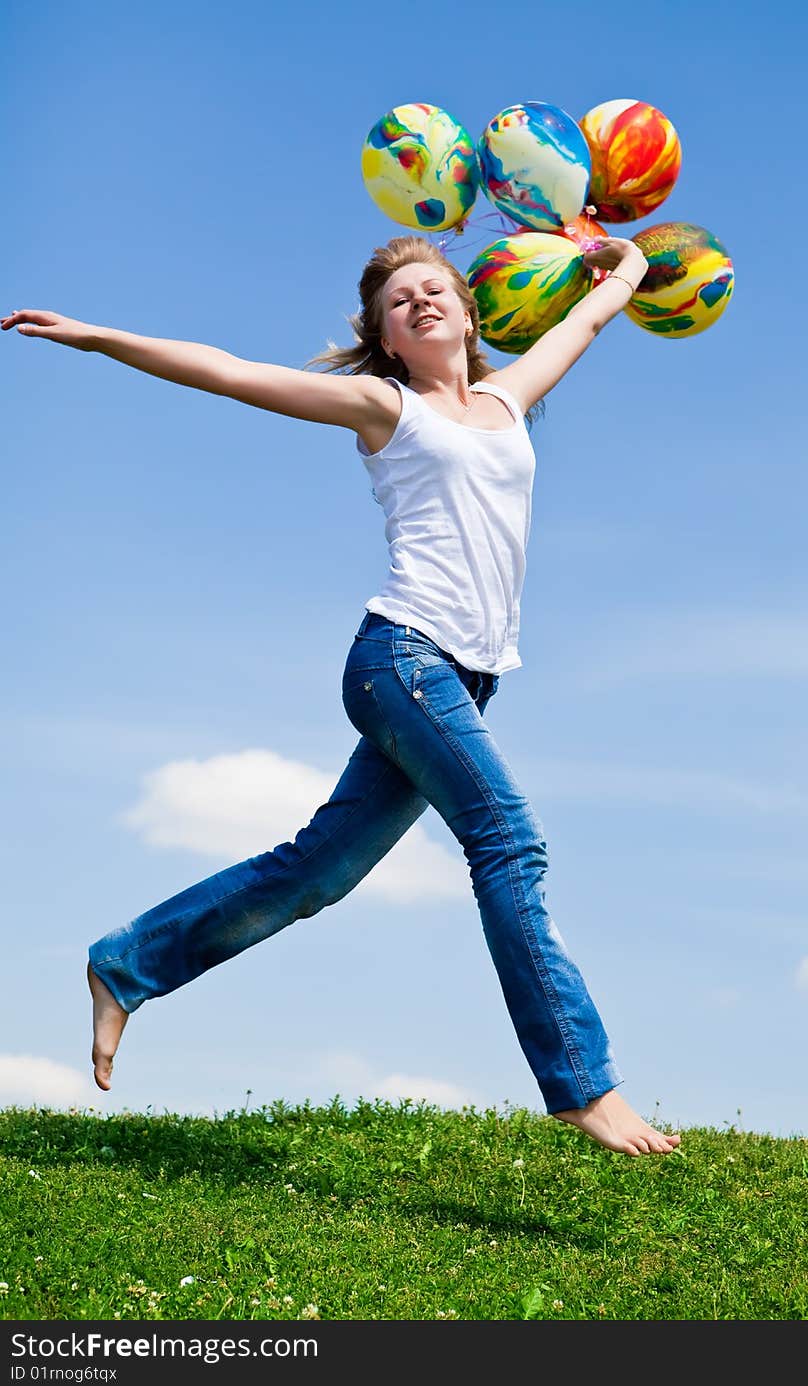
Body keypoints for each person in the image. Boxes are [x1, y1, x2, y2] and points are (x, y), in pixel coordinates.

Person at [2, 232, 681, 1157]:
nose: (421, 304)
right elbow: (228, 371)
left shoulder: (509, 398)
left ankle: (126, 965)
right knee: (509, 844)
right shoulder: (383, 408)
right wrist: (96, 337)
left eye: (434, 289)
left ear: (470, 310)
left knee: (319, 869)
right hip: (404, 660)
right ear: (386, 337)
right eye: (400, 302)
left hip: (464, 680)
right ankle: (582, 1085)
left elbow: (592, 316)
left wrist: (626, 263)